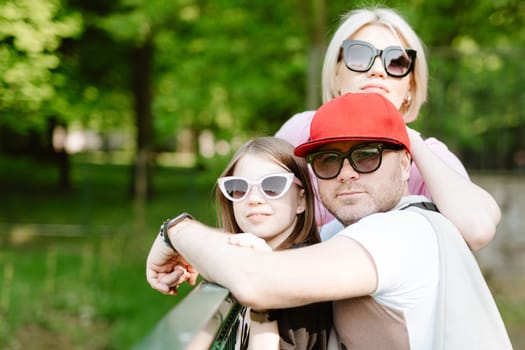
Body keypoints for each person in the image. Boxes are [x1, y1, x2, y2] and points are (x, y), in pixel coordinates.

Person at [146, 93, 512, 349]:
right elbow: (266, 261)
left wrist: (176, 232)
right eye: (327, 161)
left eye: (366, 156)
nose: (347, 173)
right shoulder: (342, 232)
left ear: (404, 164)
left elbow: (255, 280)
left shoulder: (404, 232)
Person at [275, 6, 500, 251]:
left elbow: (478, 229)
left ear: (410, 88)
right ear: (336, 74)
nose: (377, 70)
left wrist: (405, 137)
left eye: (396, 61)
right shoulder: (300, 132)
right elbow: (251, 204)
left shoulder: (428, 155)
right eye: (360, 56)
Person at [155, 136, 332, 349]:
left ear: (301, 201)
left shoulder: (301, 276)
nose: (254, 198)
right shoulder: (239, 261)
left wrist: (262, 306)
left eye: (273, 185)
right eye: (239, 187)